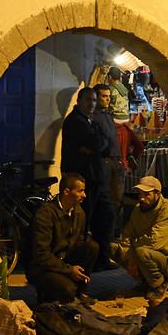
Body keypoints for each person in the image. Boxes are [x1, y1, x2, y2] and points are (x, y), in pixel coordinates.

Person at [110, 176, 168, 304]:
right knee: (113, 248)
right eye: (140, 194)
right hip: (143, 251)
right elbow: (128, 234)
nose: (142, 198)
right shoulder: (138, 209)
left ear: (157, 193)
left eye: (147, 194)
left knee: (141, 252)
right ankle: (145, 282)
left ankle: (159, 284)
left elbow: (155, 241)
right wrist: (129, 256)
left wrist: (133, 255)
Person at [61, 87, 115, 270]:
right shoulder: (74, 121)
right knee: (82, 223)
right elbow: (99, 143)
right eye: (88, 100)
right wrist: (96, 144)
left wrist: (95, 146)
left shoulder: (93, 121)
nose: (91, 104)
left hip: (98, 178)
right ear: (79, 101)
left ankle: (102, 259)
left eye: (94, 100)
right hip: (83, 180)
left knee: (105, 218)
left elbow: (107, 145)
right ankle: (81, 263)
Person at [27, 172, 99, 303]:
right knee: (67, 289)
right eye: (80, 191)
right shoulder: (45, 214)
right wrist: (69, 270)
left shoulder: (78, 212)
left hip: (63, 259)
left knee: (92, 246)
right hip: (42, 267)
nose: (84, 195)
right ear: (66, 192)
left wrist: (75, 267)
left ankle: (80, 292)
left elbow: (80, 240)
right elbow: (41, 255)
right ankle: (47, 295)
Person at [93, 83, 122, 268]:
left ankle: (109, 248)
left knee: (116, 206)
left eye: (108, 96)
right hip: (104, 163)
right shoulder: (94, 117)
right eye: (103, 96)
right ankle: (103, 253)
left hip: (114, 163)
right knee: (106, 210)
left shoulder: (107, 115)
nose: (107, 99)